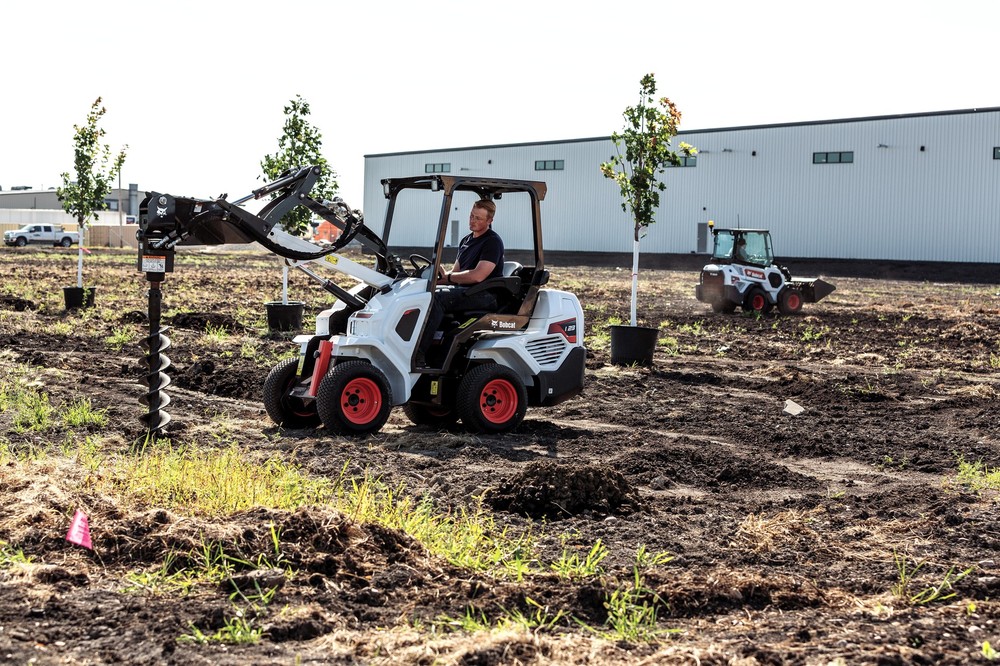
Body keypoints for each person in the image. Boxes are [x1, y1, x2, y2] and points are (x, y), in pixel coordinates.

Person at [415, 199, 504, 368]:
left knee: (438, 298)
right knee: (426, 292)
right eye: (471, 216)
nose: (473, 221)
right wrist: (432, 279)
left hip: (485, 293)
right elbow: (456, 272)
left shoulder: (492, 242)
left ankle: (418, 353)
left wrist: (448, 279)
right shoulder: (466, 240)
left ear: (489, 221)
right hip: (466, 290)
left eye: (478, 218)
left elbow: (478, 276)